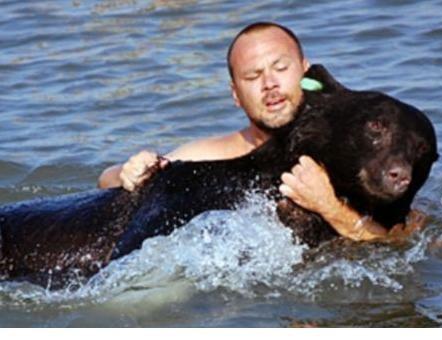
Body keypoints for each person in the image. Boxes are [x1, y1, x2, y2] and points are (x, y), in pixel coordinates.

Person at [98, 22, 420, 241]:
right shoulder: (218, 155)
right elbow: (107, 182)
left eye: (281, 69)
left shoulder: (349, 146)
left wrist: (330, 208)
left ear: (306, 72)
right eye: (253, 76)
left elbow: (408, 242)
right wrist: (127, 171)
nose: (270, 84)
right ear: (236, 95)